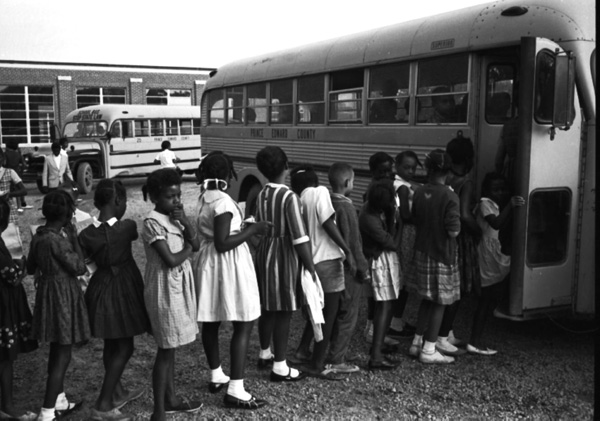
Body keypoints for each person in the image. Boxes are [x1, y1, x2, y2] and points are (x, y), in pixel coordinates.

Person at [193, 151, 271, 409]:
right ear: (228, 174)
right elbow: (223, 242)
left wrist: (242, 226)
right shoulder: (224, 202)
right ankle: (236, 388)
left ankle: (216, 375)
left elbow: (217, 235)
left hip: (209, 265)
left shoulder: (204, 197)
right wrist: (253, 229)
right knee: (244, 321)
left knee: (212, 320)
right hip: (228, 265)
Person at [78, 179, 150, 420]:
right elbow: (125, 234)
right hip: (123, 290)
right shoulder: (127, 227)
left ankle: (116, 391)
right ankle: (104, 403)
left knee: (111, 343)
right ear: (118, 201)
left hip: (100, 289)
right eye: (125, 202)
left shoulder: (86, 234)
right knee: (126, 345)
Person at [141, 168, 201, 420]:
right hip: (164, 291)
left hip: (177, 289)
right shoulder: (152, 222)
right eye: (170, 196)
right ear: (155, 197)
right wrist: (188, 246)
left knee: (172, 347)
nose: (176, 201)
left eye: (178, 195)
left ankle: (172, 399)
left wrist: (186, 221)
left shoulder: (175, 218)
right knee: (165, 350)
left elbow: (197, 244)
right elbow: (171, 259)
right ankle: (159, 411)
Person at [254, 146, 314, 382]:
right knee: (285, 311)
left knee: (268, 307)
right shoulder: (290, 197)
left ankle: (264, 351)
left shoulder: (262, 193)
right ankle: (280, 365)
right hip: (283, 256)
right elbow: (299, 238)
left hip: (264, 252)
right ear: (286, 167)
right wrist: (310, 266)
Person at [27, 190, 88, 421]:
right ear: (69, 214)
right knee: (63, 354)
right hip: (63, 296)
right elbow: (80, 267)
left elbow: (31, 267)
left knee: (56, 349)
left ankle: (59, 399)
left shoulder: (39, 236)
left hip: (47, 294)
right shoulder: (59, 241)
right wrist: (73, 239)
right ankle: (47, 412)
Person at [290, 165, 355, 380]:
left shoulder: (297, 200)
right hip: (328, 260)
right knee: (328, 315)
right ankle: (317, 364)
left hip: (311, 261)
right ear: (315, 181)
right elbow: (327, 221)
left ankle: (301, 351)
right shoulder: (320, 193)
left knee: (317, 312)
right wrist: (346, 249)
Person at [406, 150, 461, 364]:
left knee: (426, 299)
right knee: (440, 301)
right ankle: (429, 350)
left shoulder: (419, 191)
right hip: (442, 254)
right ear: (448, 172)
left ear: (427, 169)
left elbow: (415, 219)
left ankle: (416, 342)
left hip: (422, 251)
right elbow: (453, 231)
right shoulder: (450, 196)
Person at [468, 173, 524, 355]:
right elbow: (496, 224)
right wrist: (511, 205)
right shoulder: (485, 203)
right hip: (486, 255)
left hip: (493, 253)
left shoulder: (494, 204)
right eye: (496, 189)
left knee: (489, 297)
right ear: (486, 191)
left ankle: (476, 339)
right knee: (485, 299)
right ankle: (474, 341)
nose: (500, 192)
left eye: (503, 189)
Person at [436, 136, 481, 357]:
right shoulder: (466, 182)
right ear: (468, 158)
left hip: (444, 234)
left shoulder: (445, 177)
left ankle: (447, 331)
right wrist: (478, 231)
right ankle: (443, 336)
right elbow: (464, 215)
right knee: (457, 289)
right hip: (461, 239)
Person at [326, 163, 371, 373]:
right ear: (347, 183)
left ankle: (330, 351)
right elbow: (354, 243)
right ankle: (337, 359)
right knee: (348, 315)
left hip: (331, 267)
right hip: (348, 271)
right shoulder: (347, 208)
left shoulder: (327, 203)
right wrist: (363, 269)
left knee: (334, 313)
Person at [0, 198, 38, 420]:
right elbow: (12, 277)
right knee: (5, 359)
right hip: (4, 307)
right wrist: (22, 266)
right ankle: (8, 406)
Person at [359, 179, 402, 370]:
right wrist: (394, 217)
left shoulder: (370, 208)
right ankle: (375, 356)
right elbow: (392, 242)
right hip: (380, 262)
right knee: (384, 306)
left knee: (385, 305)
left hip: (380, 260)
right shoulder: (371, 219)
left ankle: (377, 348)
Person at [388, 150, 423, 339]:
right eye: (406, 167)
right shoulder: (402, 187)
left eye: (413, 168)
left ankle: (396, 320)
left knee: (402, 279)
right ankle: (395, 321)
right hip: (407, 233)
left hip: (403, 233)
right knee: (404, 278)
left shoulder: (399, 183)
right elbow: (405, 214)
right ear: (397, 166)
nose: (410, 171)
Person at [3, 140, 32, 212]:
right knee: (18, 190)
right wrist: (21, 171)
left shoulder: (4, 154)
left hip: (6, 173)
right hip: (16, 174)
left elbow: (3, 163)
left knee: (8, 190)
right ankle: (19, 206)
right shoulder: (18, 154)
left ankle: (9, 206)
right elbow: (24, 165)